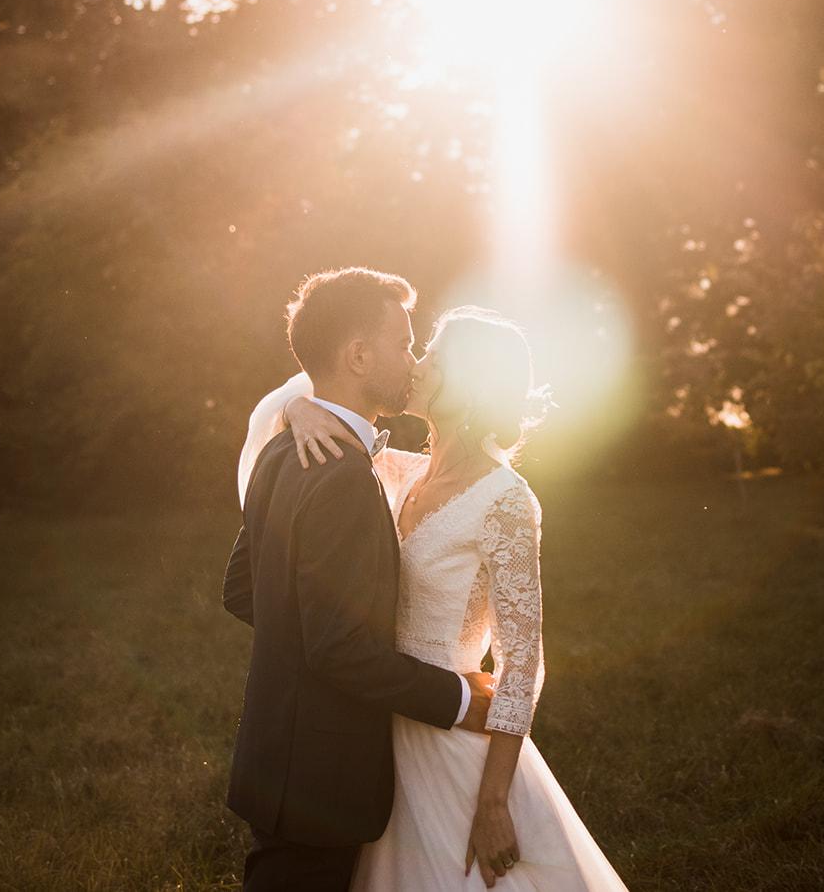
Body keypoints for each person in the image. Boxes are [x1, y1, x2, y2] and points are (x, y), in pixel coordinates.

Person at [232, 268, 628, 890]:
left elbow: (523, 662)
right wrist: (300, 407)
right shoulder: (391, 470)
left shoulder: (505, 500)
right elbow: (319, 417)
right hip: (370, 729)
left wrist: (494, 799)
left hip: (452, 746)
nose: (414, 364)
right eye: (411, 348)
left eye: (430, 356)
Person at [223, 267, 497, 891]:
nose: (412, 360)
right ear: (358, 354)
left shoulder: (283, 449)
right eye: (403, 344)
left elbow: (243, 586)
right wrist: (459, 698)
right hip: (322, 772)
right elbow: (337, 646)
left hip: (277, 759)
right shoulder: (341, 472)